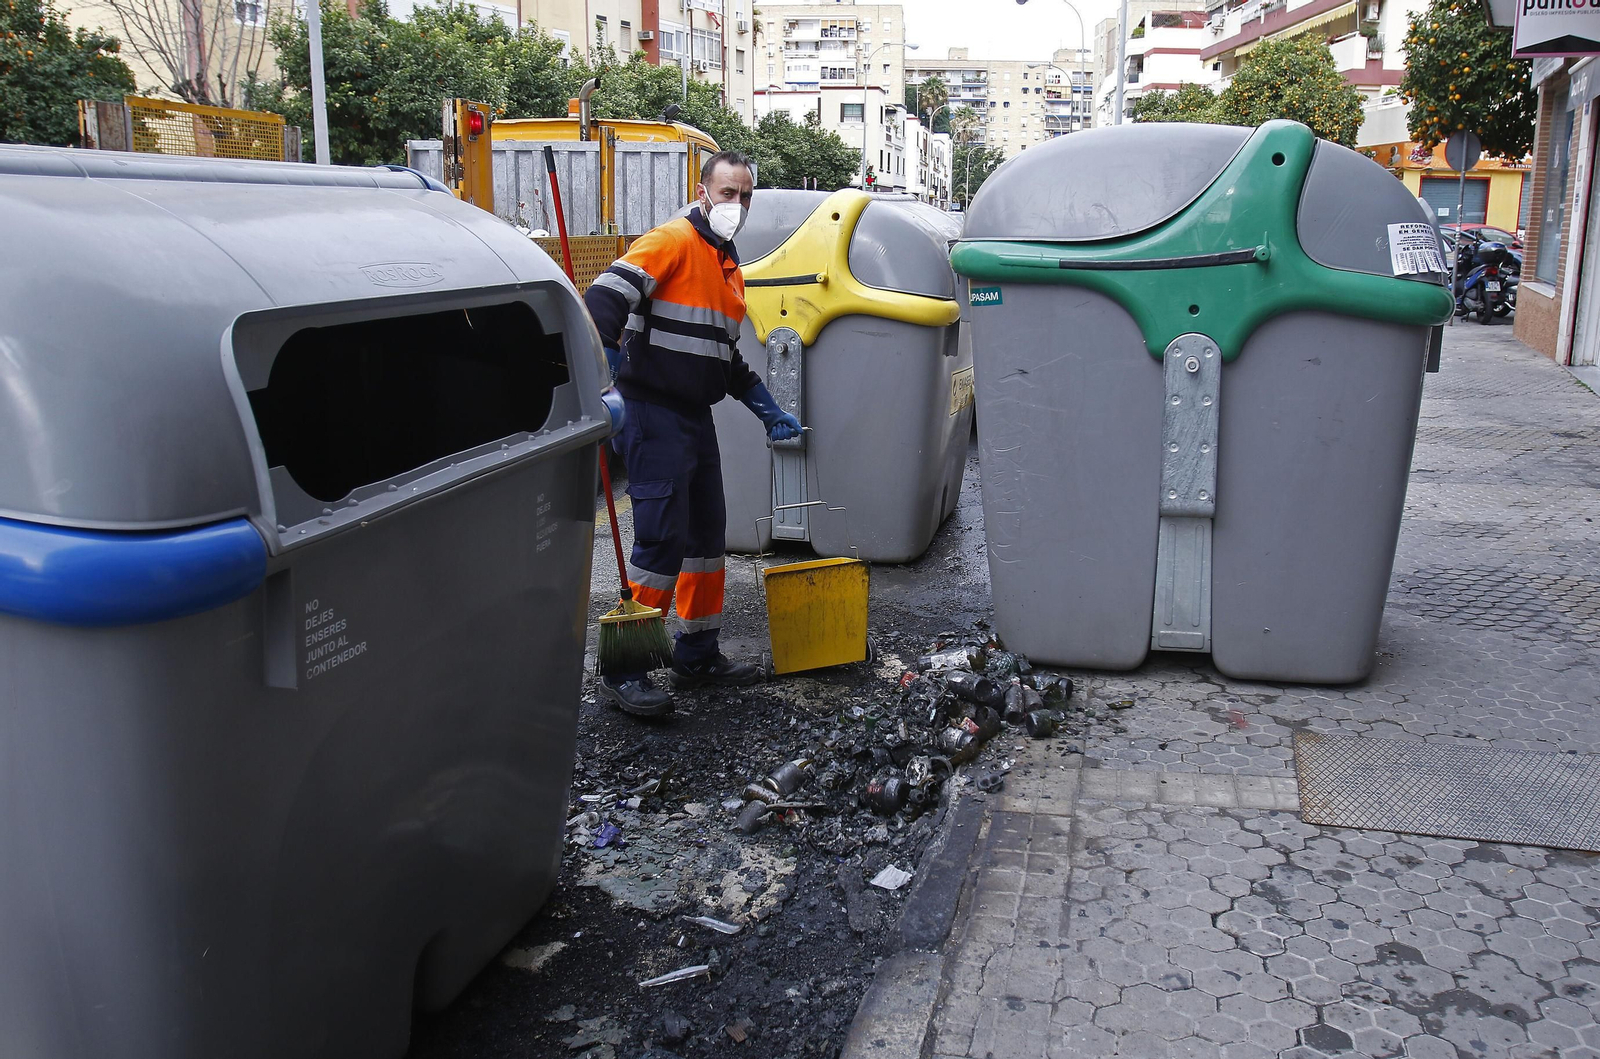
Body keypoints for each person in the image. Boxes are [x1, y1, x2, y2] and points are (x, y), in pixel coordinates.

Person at [583, 150, 802, 717]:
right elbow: (603, 298)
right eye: (728, 193)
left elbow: (723, 360)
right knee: (661, 538)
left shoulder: (726, 265)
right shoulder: (674, 240)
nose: (738, 205)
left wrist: (768, 409)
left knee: (706, 535)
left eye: (746, 196)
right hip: (652, 412)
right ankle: (625, 669)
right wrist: (602, 375)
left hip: (693, 417)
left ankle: (696, 654)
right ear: (704, 192)